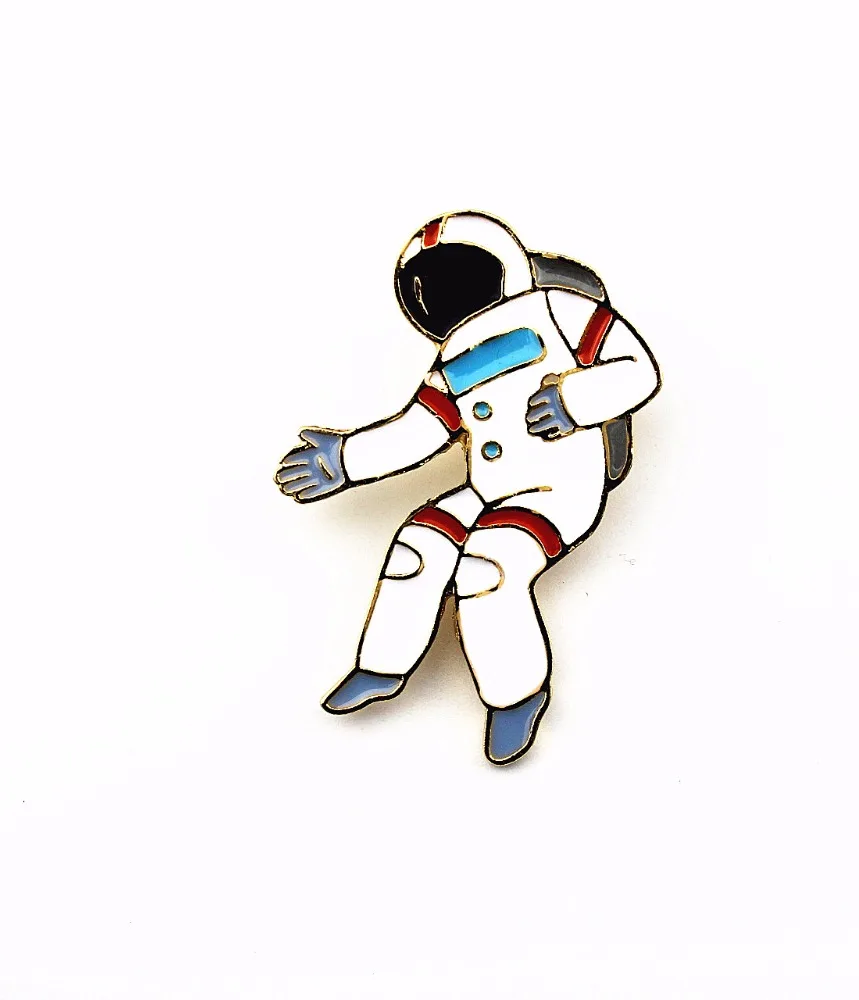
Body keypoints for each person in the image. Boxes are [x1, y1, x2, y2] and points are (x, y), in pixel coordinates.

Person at [275, 212, 661, 764]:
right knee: (418, 545)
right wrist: (347, 459)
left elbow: (638, 369)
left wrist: (575, 402)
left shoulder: (562, 311)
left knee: (489, 564)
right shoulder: (452, 356)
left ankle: (515, 696)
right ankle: (382, 664)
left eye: (459, 274)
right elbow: (421, 429)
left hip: (556, 489)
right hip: (487, 487)